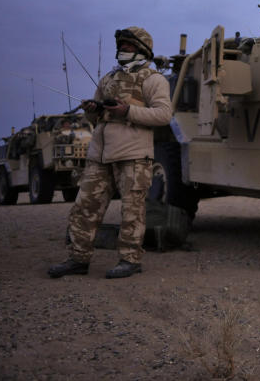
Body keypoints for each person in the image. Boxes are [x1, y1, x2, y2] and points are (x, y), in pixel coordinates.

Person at [48, 27, 172, 279]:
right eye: (121, 45)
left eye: (128, 45)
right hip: (99, 155)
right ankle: (77, 258)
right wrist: (92, 109)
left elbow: (163, 115)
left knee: (132, 211)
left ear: (142, 49)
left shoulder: (154, 79)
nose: (123, 48)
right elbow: (94, 117)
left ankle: (130, 260)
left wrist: (127, 111)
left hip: (134, 155)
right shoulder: (107, 79)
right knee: (85, 206)